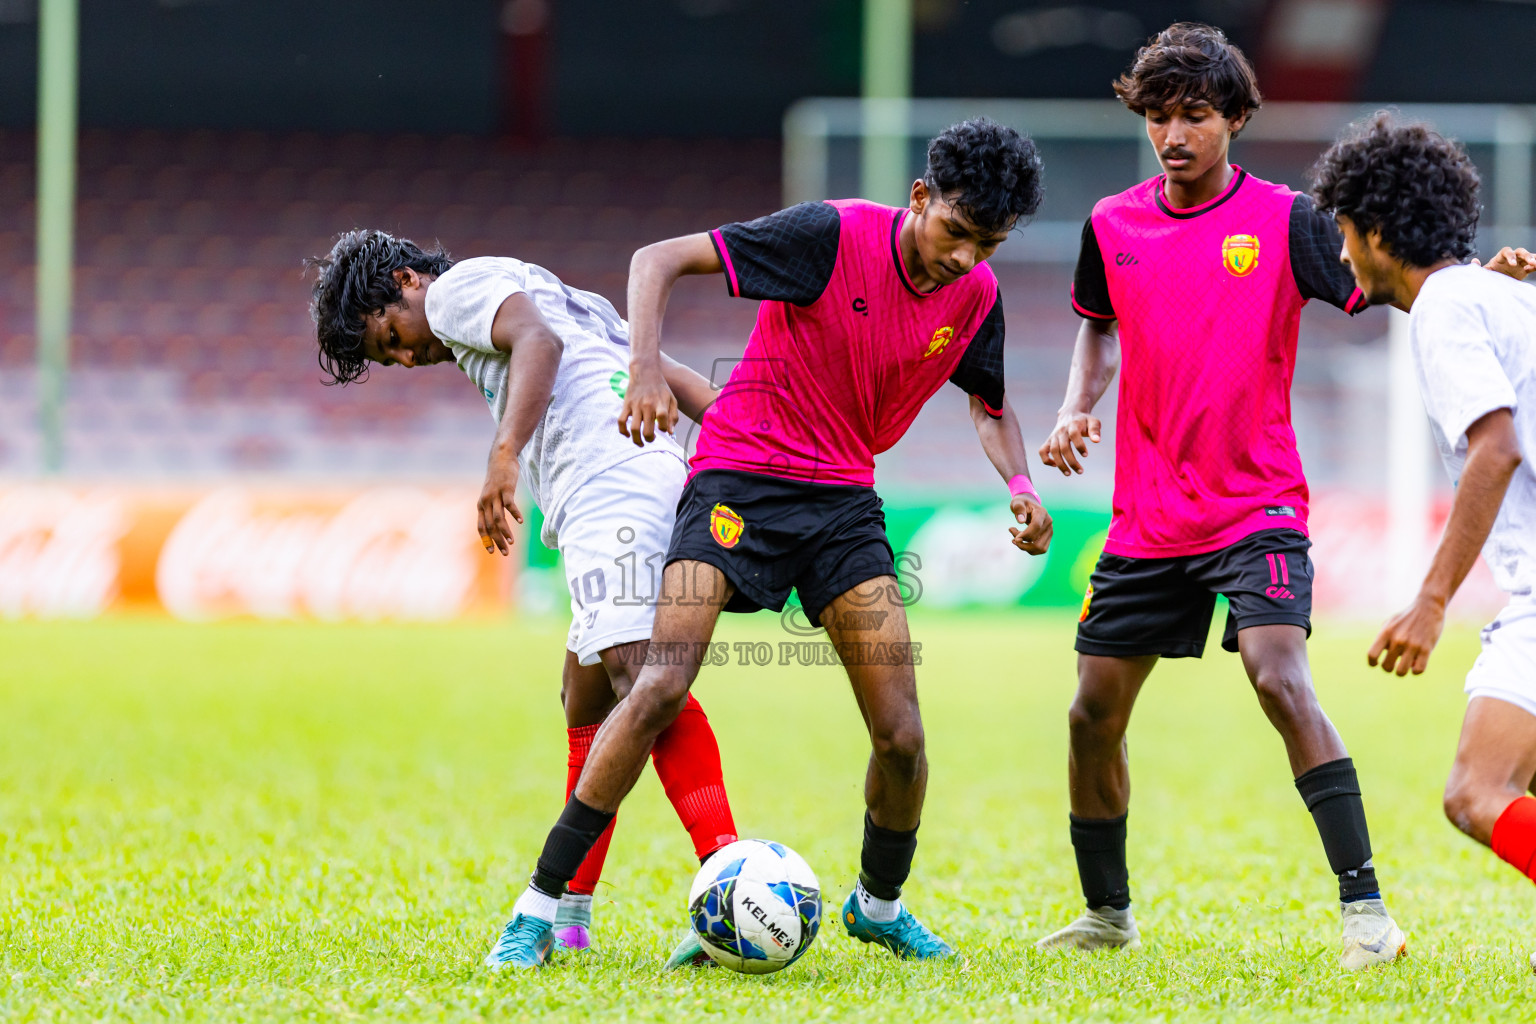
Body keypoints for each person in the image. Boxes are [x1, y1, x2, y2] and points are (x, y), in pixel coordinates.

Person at [486, 117, 1053, 969]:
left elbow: (991, 404)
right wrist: (644, 368)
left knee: (901, 736)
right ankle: (536, 909)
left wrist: (1020, 484)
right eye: (957, 232)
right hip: (737, 481)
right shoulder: (830, 235)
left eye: (990, 244)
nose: (967, 258)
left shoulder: (974, 297)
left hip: (842, 507)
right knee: (658, 689)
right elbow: (656, 260)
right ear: (920, 198)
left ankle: (880, 905)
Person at [1033, 23, 1408, 969]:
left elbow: (1388, 284)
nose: (1174, 134)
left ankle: (1368, 915)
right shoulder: (1112, 225)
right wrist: (1080, 405)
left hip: (1257, 506)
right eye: (1159, 116)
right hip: (1150, 515)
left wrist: (1474, 284)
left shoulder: (1285, 221)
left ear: (1236, 117)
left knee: (1279, 677)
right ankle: (1107, 914)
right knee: (1089, 715)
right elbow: (1098, 328)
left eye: (1195, 114)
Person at [306, 230, 739, 964]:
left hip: (613, 484)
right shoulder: (550, 287)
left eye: (392, 337)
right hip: (631, 477)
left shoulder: (454, 292)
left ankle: (729, 884)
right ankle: (573, 913)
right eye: (391, 359)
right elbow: (656, 365)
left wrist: (503, 456)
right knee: (586, 696)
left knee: (644, 682)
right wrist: (738, 432)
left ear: (407, 281)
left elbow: (540, 343)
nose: (410, 356)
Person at [1313, 113, 1536, 964]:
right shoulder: (1492, 293)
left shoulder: (1447, 306)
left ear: (1374, 230)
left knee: (1477, 793)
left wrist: (1429, 602)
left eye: (1342, 232)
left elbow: (1498, 448)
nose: (1339, 255)